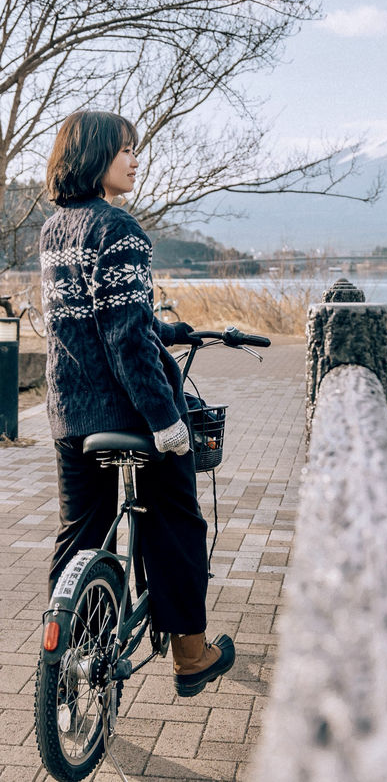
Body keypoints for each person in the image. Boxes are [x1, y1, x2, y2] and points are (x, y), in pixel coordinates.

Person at [40, 110, 235, 697]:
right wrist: (166, 422)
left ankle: (69, 660)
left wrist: (169, 329)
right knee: (176, 521)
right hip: (131, 417)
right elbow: (125, 340)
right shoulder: (119, 228)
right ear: (97, 156)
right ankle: (191, 656)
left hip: (70, 416)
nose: (135, 159)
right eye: (126, 149)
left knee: (79, 533)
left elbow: (94, 319)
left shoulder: (56, 230)